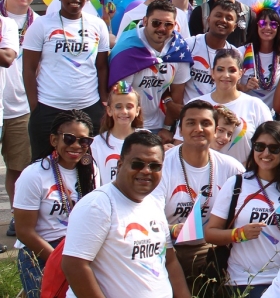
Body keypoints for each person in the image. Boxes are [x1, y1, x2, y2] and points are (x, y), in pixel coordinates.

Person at [61, 130, 189, 298]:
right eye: (137, 164)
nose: (146, 171)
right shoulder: (98, 205)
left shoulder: (154, 204)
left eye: (154, 166)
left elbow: (169, 261)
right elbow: (74, 266)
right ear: (120, 165)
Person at [205, 122, 280, 297]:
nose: (265, 153)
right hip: (242, 281)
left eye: (274, 148)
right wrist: (238, 234)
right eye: (260, 146)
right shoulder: (236, 184)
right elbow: (210, 233)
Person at [23, 0, 110, 161]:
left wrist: (103, 101)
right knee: (44, 166)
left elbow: (102, 66)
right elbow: (28, 69)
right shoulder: (41, 26)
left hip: (89, 107)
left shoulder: (97, 25)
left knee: (89, 166)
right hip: (48, 108)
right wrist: (35, 106)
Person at [156, 100, 245, 291]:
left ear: (215, 130)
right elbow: (147, 215)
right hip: (166, 246)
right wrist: (172, 229)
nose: (199, 129)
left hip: (209, 247)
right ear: (179, 129)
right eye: (190, 123)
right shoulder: (162, 165)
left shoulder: (232, 168)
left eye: (205, 123)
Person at [13, 110, 97, 297]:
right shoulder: (33, 175)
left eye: (84, 141)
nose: (76, 145)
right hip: (42, 252)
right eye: (69, 138)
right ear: (54, 140)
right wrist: (59, 262)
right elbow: (24, 232)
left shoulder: (92, 171)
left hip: (78, 249)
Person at [112, 0, 191, 139]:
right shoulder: (128, 49)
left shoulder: (178, 50)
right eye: (156, 23)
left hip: (158, 125)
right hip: (127, 125)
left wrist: (167, 128)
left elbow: (177, 96)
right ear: (145, 21)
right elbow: (121, 96)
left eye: (168, 24)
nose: (161, 28)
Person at [190, 48, 275, 165]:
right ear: (212, 72)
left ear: (240, 73)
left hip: (244, 179)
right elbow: (181, 144)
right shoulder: (195, 105)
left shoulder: (256, 106)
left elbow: (270, 145)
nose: (226, 75)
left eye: (232, 70)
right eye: (220, 69)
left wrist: (248, 168)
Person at [2, 0, 38, 236]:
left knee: (19, 166)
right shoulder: (2, 20)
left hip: (20, 104)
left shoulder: (38, 22)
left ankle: (16, 214)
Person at [184, 0, 239, 102]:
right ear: (208, 19)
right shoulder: (189, 45)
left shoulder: (235, 54)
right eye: (218, 15)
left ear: (234, 27)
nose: (223, 20)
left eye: (229, 18)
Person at [90, 83, 142, 185]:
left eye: (129, 106)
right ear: (109, 110)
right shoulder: (96, 144)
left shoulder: (146, 138)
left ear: (137, 111)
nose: (124, 111)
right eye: (118, 107)